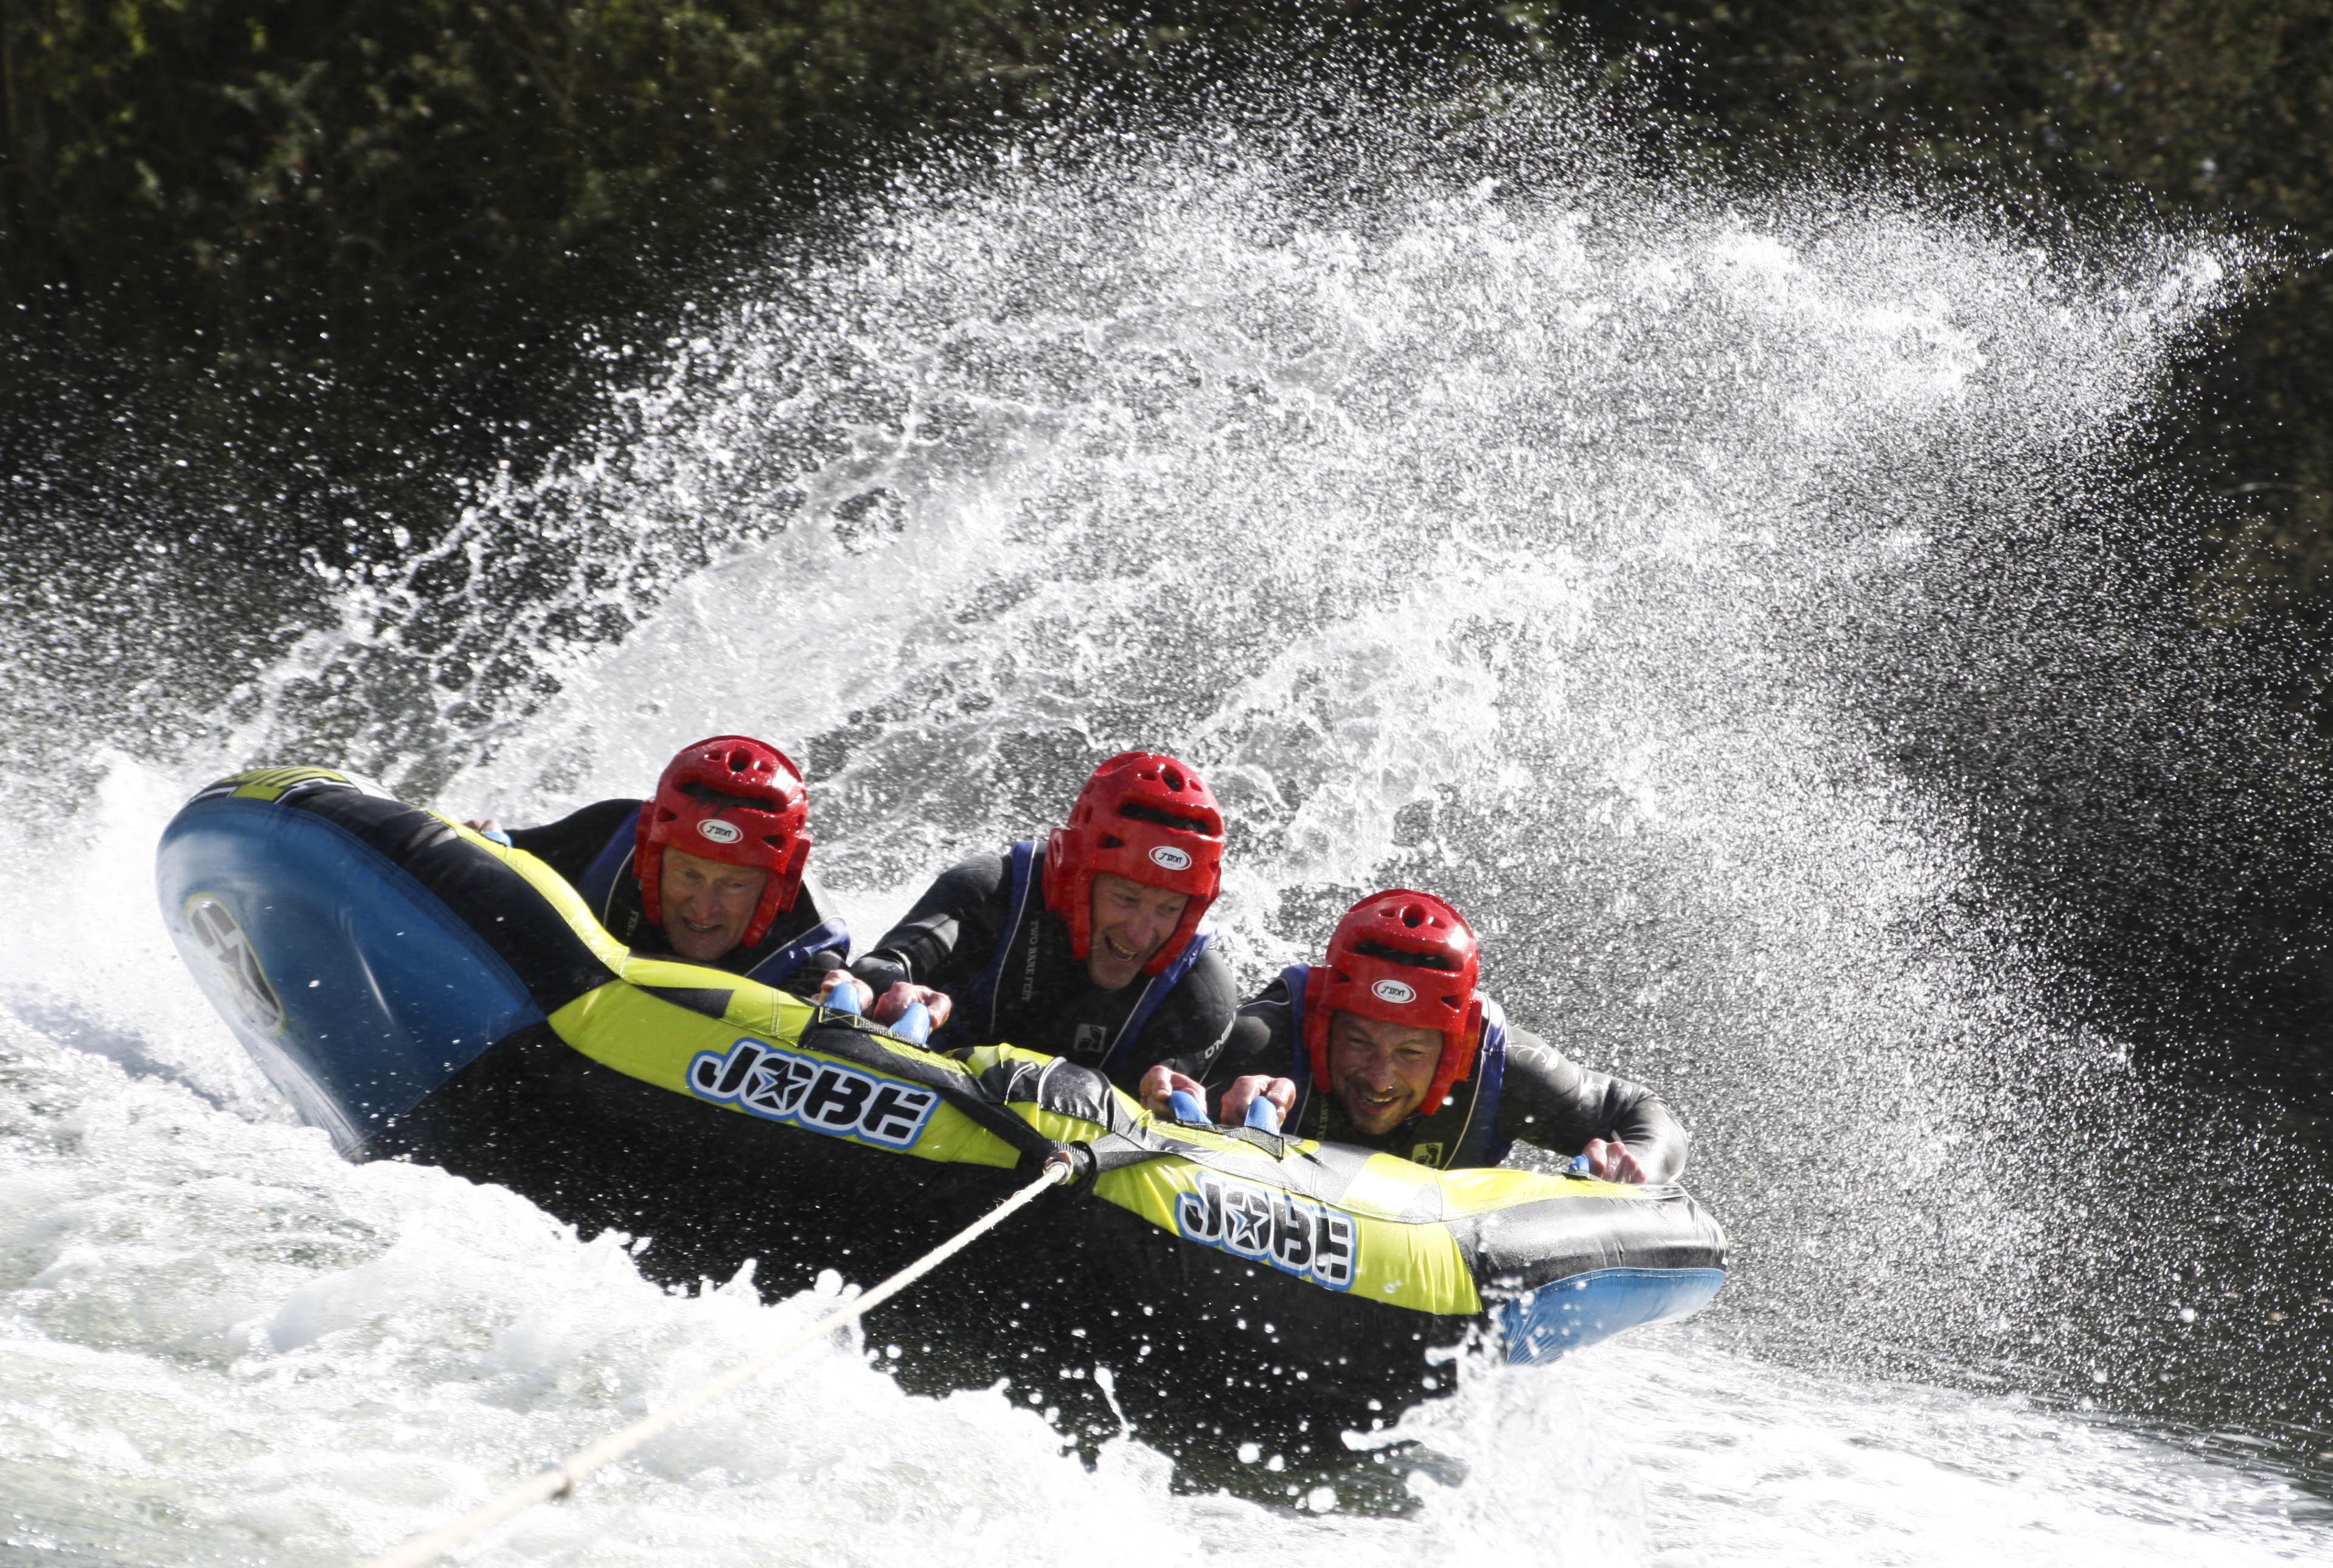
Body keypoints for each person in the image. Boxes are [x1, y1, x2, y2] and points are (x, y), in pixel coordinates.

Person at [1158, 889, 1686, 1181]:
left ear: (1453, 1050)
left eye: (1410, 1051)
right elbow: (1153, 1088)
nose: (1379, 1079)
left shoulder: (1498, 1066)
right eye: (1358, 1043)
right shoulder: (1265, 1037)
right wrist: (1208, 1110)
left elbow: (1638, 1109)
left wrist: (1637, 1163)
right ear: (1322, 1026)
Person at [827, 751, 1237, 1091]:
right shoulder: (992, 889)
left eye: (1169, 909)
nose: (1140, 935)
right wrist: (891, 989)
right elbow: (883, 964)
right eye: (1126, 899)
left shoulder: (1201, 988)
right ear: (1071, 877)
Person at [469, 735, 847, 995]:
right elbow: (492, 858)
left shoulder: (807, 943)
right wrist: (477, 848)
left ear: (776, 887)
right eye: (688, 874)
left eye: (734, 885)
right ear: (652, 857)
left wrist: (856, 996)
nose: (704, 909)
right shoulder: (607, 839)